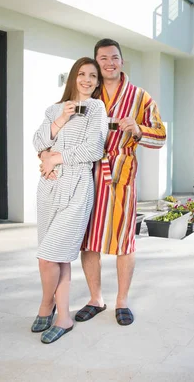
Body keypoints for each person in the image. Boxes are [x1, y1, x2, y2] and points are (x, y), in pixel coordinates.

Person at [75, 38, 166, 326]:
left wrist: (138, 129)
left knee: (124, 241)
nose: (109, 63)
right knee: (88, 242)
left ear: (122, 61)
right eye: (103, 59)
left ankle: (122, 301)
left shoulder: (140, 97)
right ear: (96, 62)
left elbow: (161, 135)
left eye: (114, 57)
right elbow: (66, 128)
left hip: (121, 177)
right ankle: (95, 298)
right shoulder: (88, 93)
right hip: (87, 174)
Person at [32, 57, 108, 344]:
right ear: (73, 77)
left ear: (98, 82)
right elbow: (38, 141)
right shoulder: (53, 109)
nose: (87, 80)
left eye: (93, 76)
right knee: (59, 258)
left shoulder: (96, 109)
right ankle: (63, 316)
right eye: (82, 74)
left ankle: (45, 305)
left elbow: (94, 148)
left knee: (48, 256)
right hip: (49, 187)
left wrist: (56, 157)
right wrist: (61, 120)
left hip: (77, 186)